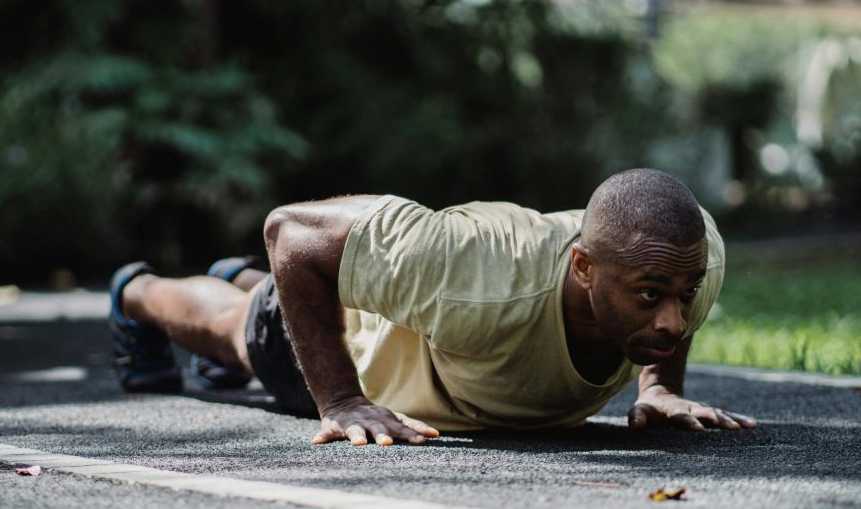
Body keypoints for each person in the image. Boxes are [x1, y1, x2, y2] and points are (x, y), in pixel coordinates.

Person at [109, 168, 756, 446]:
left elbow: (670, 288)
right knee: (241, 331)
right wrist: (339, 399)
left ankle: (248, 284)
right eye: (650, 297)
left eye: (684, 295)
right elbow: (291, 232)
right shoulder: (477, 270)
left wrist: (662, 386)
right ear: (583, 267)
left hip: (429, 311)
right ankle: (134, 294)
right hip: (362, 344)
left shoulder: (686, 255)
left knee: (260, 302)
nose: (672, 319)